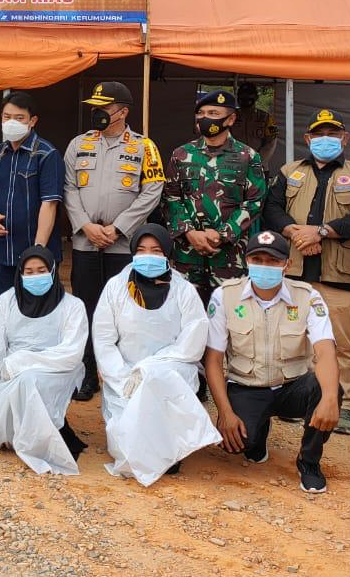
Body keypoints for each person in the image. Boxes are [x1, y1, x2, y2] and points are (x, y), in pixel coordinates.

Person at [261, 110, 350, 435]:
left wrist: (322, 232)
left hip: (338, 273)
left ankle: (344, 406)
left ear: (344, 138)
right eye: (319, 133)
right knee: (293, 340)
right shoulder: (289, 172)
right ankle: (295, 399)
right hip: (295, 270)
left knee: (342, 343)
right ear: (308, 139)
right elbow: (270, 208)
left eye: (333, 133)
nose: (326, 139)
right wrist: (296, 233)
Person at [203, 231, 341, 493]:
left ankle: (309, 461)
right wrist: (225, 412)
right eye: (258, 259)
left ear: (286, 265)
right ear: (247, 261)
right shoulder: (225, 296)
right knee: (236, 445)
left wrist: (331, 398)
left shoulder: (307, 297)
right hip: (247, 385)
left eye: (273, 261)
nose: (264, 266)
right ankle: (257, 437)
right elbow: (213, 360)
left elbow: (325, 352)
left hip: (292, 385)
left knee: (325, 388)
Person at [63, 81, 166, 401]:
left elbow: (152, 190)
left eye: (104, 107)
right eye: (95, 107)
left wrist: (119, 228)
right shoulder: (78, 144)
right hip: (86, 244)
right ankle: (88, 372)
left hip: (124, 246)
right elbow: (69, 188)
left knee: (127, 311)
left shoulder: (144, 147)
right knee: (87, 308)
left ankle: (124, 374)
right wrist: (84, 225)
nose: (98, 113)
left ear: (123, 112)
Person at [93, 224, 219, 485]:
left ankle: (170, 449)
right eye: (141, 250)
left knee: (161, 385)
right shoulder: (115, 287)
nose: (148, 256)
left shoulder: (183, 289)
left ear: (167, 254)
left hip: (170, 370)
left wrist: (151, 367)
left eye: (156, 250)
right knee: (126, 456)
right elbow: (104, 340)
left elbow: (194, 338)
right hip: (125, 376)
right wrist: (122, 377)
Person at [0, 247, 88, 475]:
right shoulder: (5, 303)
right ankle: (25, 435)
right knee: (7, 403)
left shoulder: (72, 306)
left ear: (53, 271)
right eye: (29, 271)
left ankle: (40, 440)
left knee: (29, 381)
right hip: (10, 371)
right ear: (20, 274)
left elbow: (71, 353)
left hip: (58, 369)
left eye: (42, 270)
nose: (36, 277)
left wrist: (23, 362)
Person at [163, 90, 268, 308]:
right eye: (200, 113)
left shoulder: (247, 156)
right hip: (187, 256)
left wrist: (221, 235)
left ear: (230, 118)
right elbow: (171, 198)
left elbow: (254, 202)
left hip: (229, 258)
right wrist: (190, 233)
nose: (205, 118)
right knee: (186, 319)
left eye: (213, 112)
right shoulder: (181, 154)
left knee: (228, 320)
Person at [0, 92, 63, 317]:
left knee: (37, 312)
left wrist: (38, 251)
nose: (11, 123)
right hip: (2, 252)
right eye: (7, 117)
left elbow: (50, 203)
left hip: (36, 254)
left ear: (32, 121)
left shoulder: (46, 154)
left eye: (19, 117)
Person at [230, 83, 279, 170]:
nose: (246, 98)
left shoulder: (266, 118)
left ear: (256, 97)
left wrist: (258, 161)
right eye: (243, 95)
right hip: (233, 164)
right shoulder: (230, 117)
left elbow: (271, 142)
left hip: (259, 166)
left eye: (249, 95)